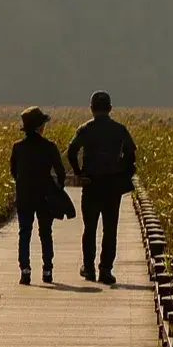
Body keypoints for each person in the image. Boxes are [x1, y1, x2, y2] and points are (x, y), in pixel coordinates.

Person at [67, 91, 137, 286]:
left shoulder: (85, 129)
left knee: (90, 228)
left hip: (91, 184)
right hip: (112, 186)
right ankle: (105, 269)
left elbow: (71, 151)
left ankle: (88, 268)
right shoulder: (119, 130)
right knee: (110, 228)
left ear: (91, 108)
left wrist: (79, 172)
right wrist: (120, 169)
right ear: (110, 109)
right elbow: (131, 155)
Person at [10, 106, 67, 286]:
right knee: (45, 233)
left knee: (24, 233)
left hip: (25, 195)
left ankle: (25, 271)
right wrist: (57, 187)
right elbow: (60, 172)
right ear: (40, 127)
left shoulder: (18, 147)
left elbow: (14, 171)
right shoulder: (49, 147)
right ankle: (47, 269)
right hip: (44, 195)